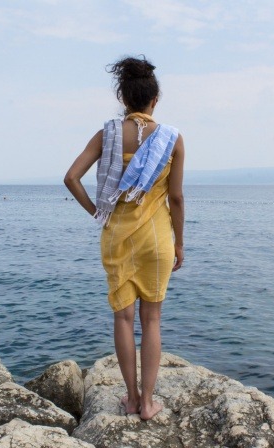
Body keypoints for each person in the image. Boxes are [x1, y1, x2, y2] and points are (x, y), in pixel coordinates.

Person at [64, 55, 185, 420]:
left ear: (123, 97)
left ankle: (130, 398)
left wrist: (98, 212)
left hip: (118, 236)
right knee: (152, 319)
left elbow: (71, 178)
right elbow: (176, 198)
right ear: (154, 100)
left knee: (123, 318)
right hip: (157, 238)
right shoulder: (172, 139)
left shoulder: (108, 134)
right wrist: (180, 243)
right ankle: (148, 403)